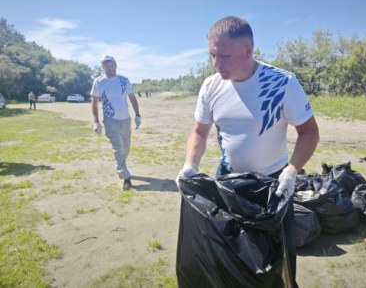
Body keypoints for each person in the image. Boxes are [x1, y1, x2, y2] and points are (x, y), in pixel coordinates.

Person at [176, 16, 319, 287]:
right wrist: (190, 165)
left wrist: (292, 170)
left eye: (224, 56)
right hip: (228, 181)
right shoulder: (211, 86)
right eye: (212, 56)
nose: (217, 64)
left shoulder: (282, 83)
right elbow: (199, 132)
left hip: (273, 186)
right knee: (230, 255)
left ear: (248, 51)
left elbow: (309, 132)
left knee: (277, 258)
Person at [90, 55, 142, 190]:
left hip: (125, 119)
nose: (109, 67)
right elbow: (94, 103)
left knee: (125, 148)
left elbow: (132, 98)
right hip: (110, 120)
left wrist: (137, 115)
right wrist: (96, 122)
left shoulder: (124, 81)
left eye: (111, 64)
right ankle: (126, 177)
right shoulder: (99, 82)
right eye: (105, 65)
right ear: (102, 67)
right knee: (118, 148)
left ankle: (121, 166)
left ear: (116, 65)